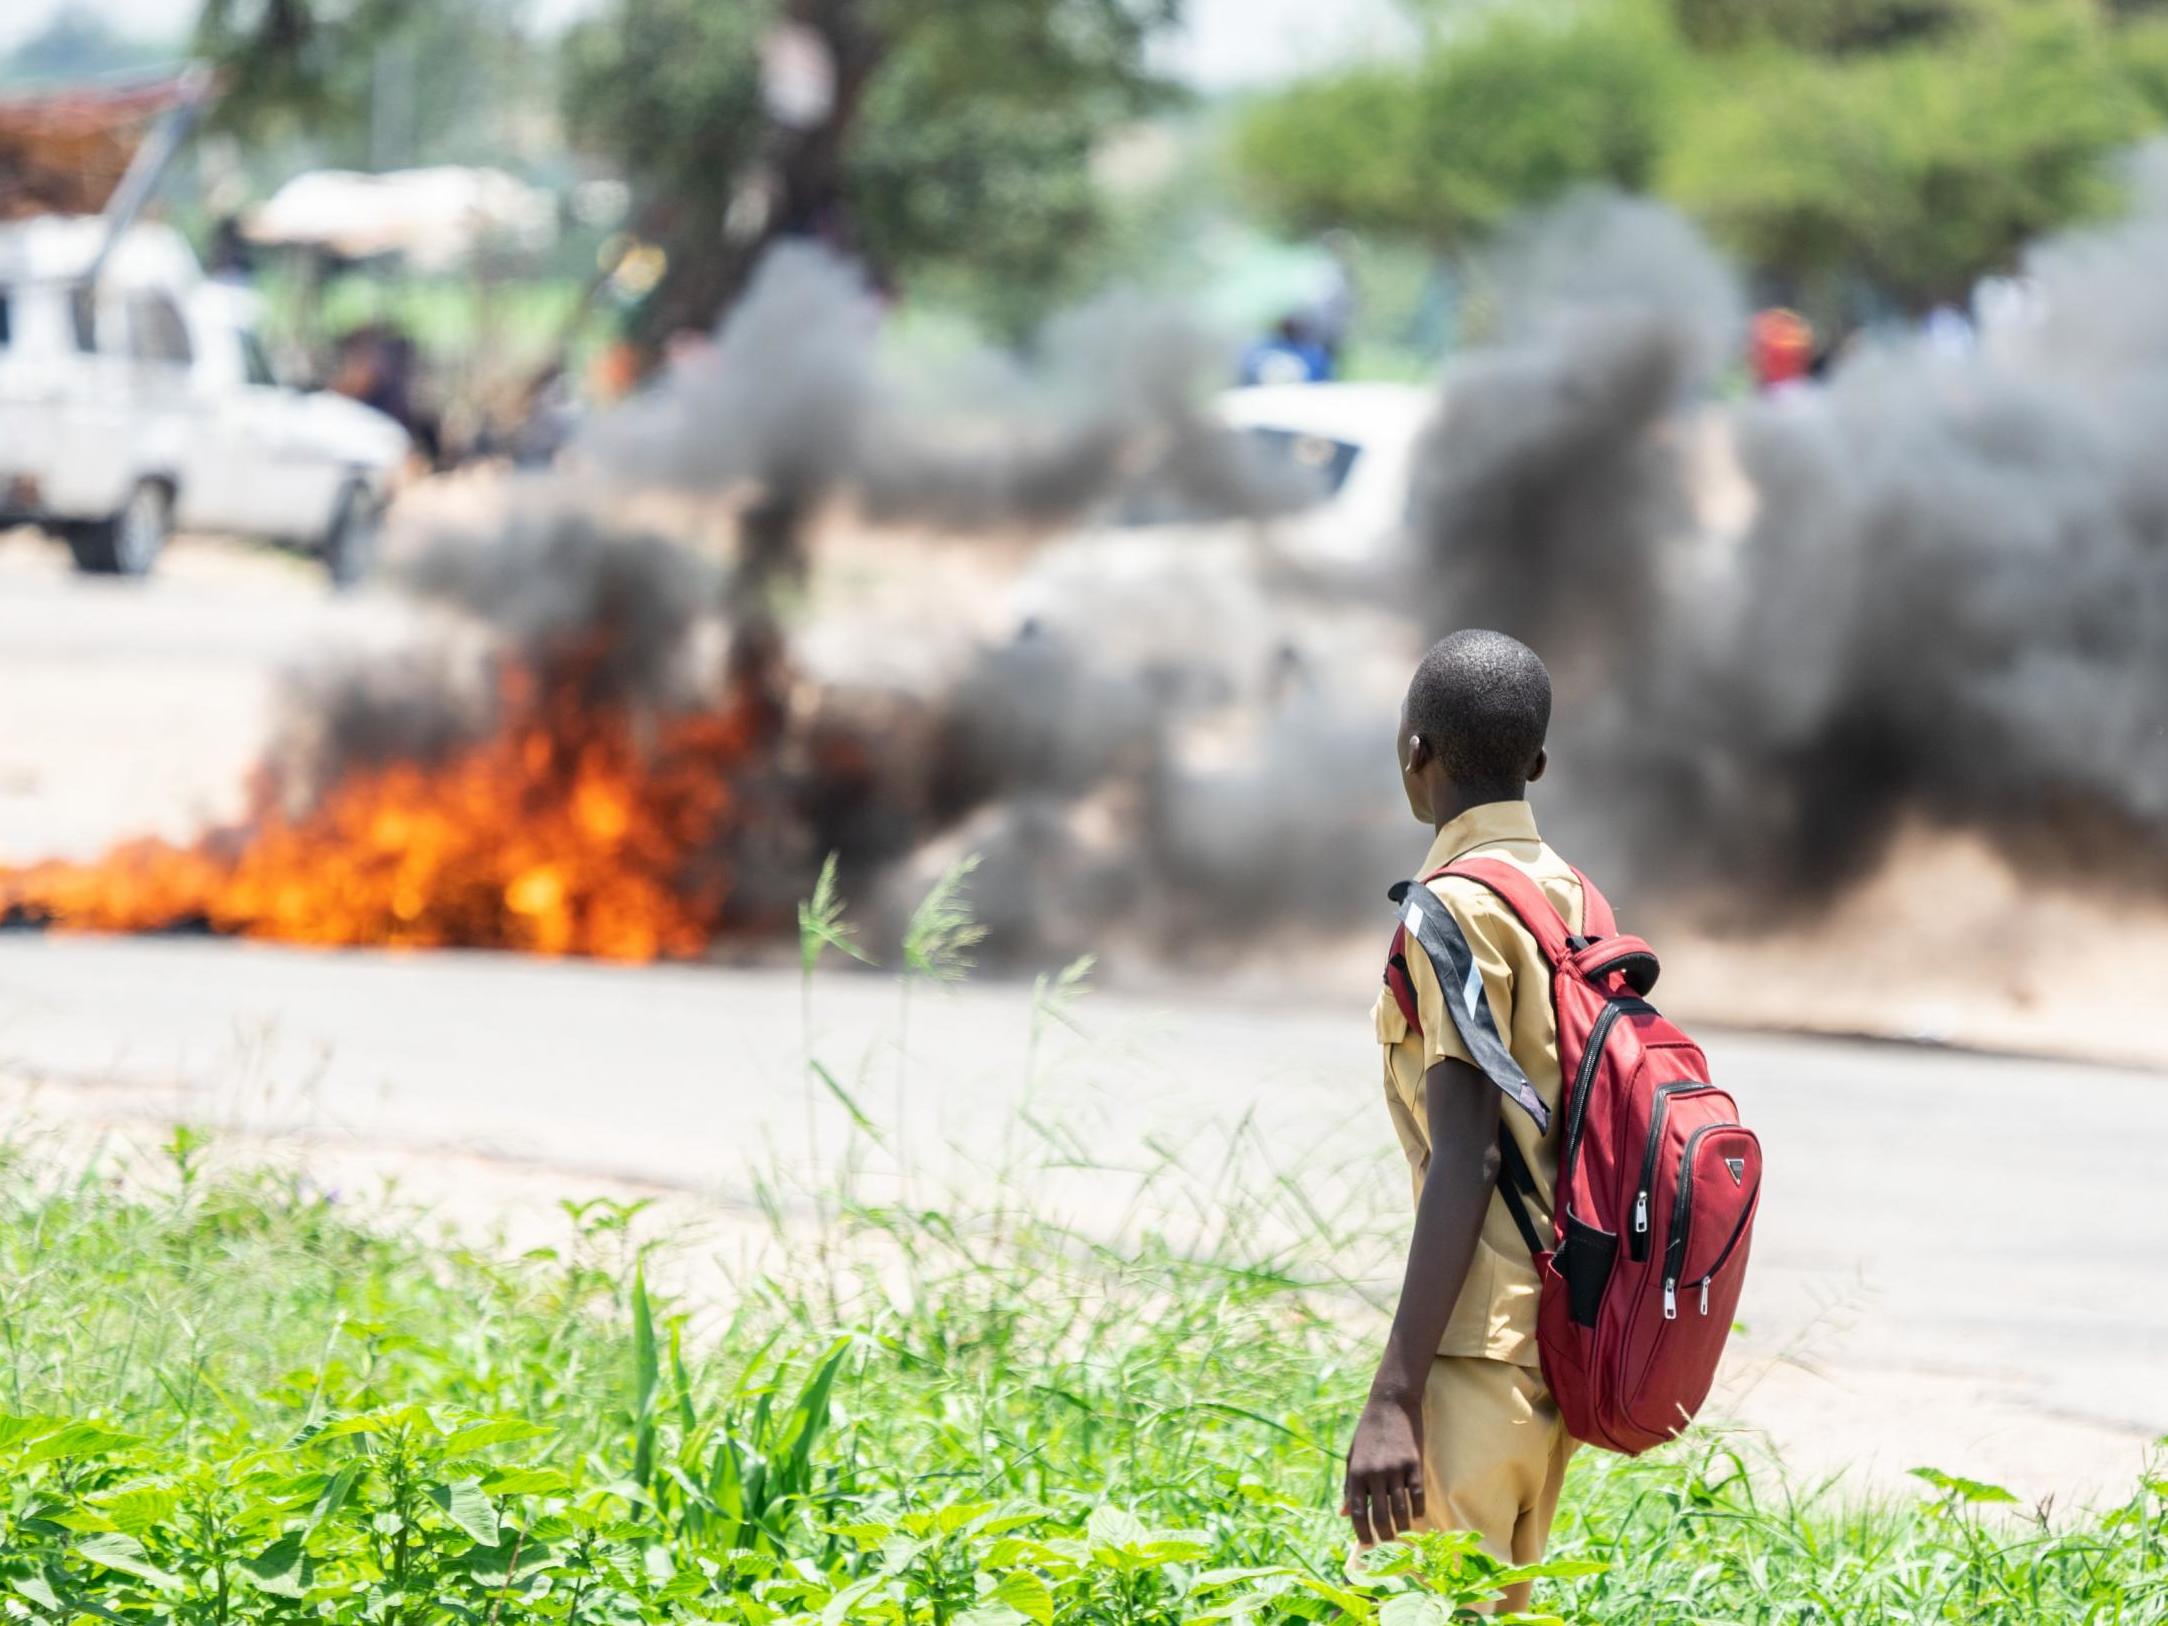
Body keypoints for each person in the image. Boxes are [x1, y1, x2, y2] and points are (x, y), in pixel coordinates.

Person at [1344, 629, 1584, 1616]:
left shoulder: (1453, 909)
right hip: (1554, 1342)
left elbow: (1466, 1154)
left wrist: (1394, 1396)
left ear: (1413, 752)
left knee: (1418, 1602)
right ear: (1535, 764)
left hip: (1474, 1351)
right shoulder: (1569, 894)